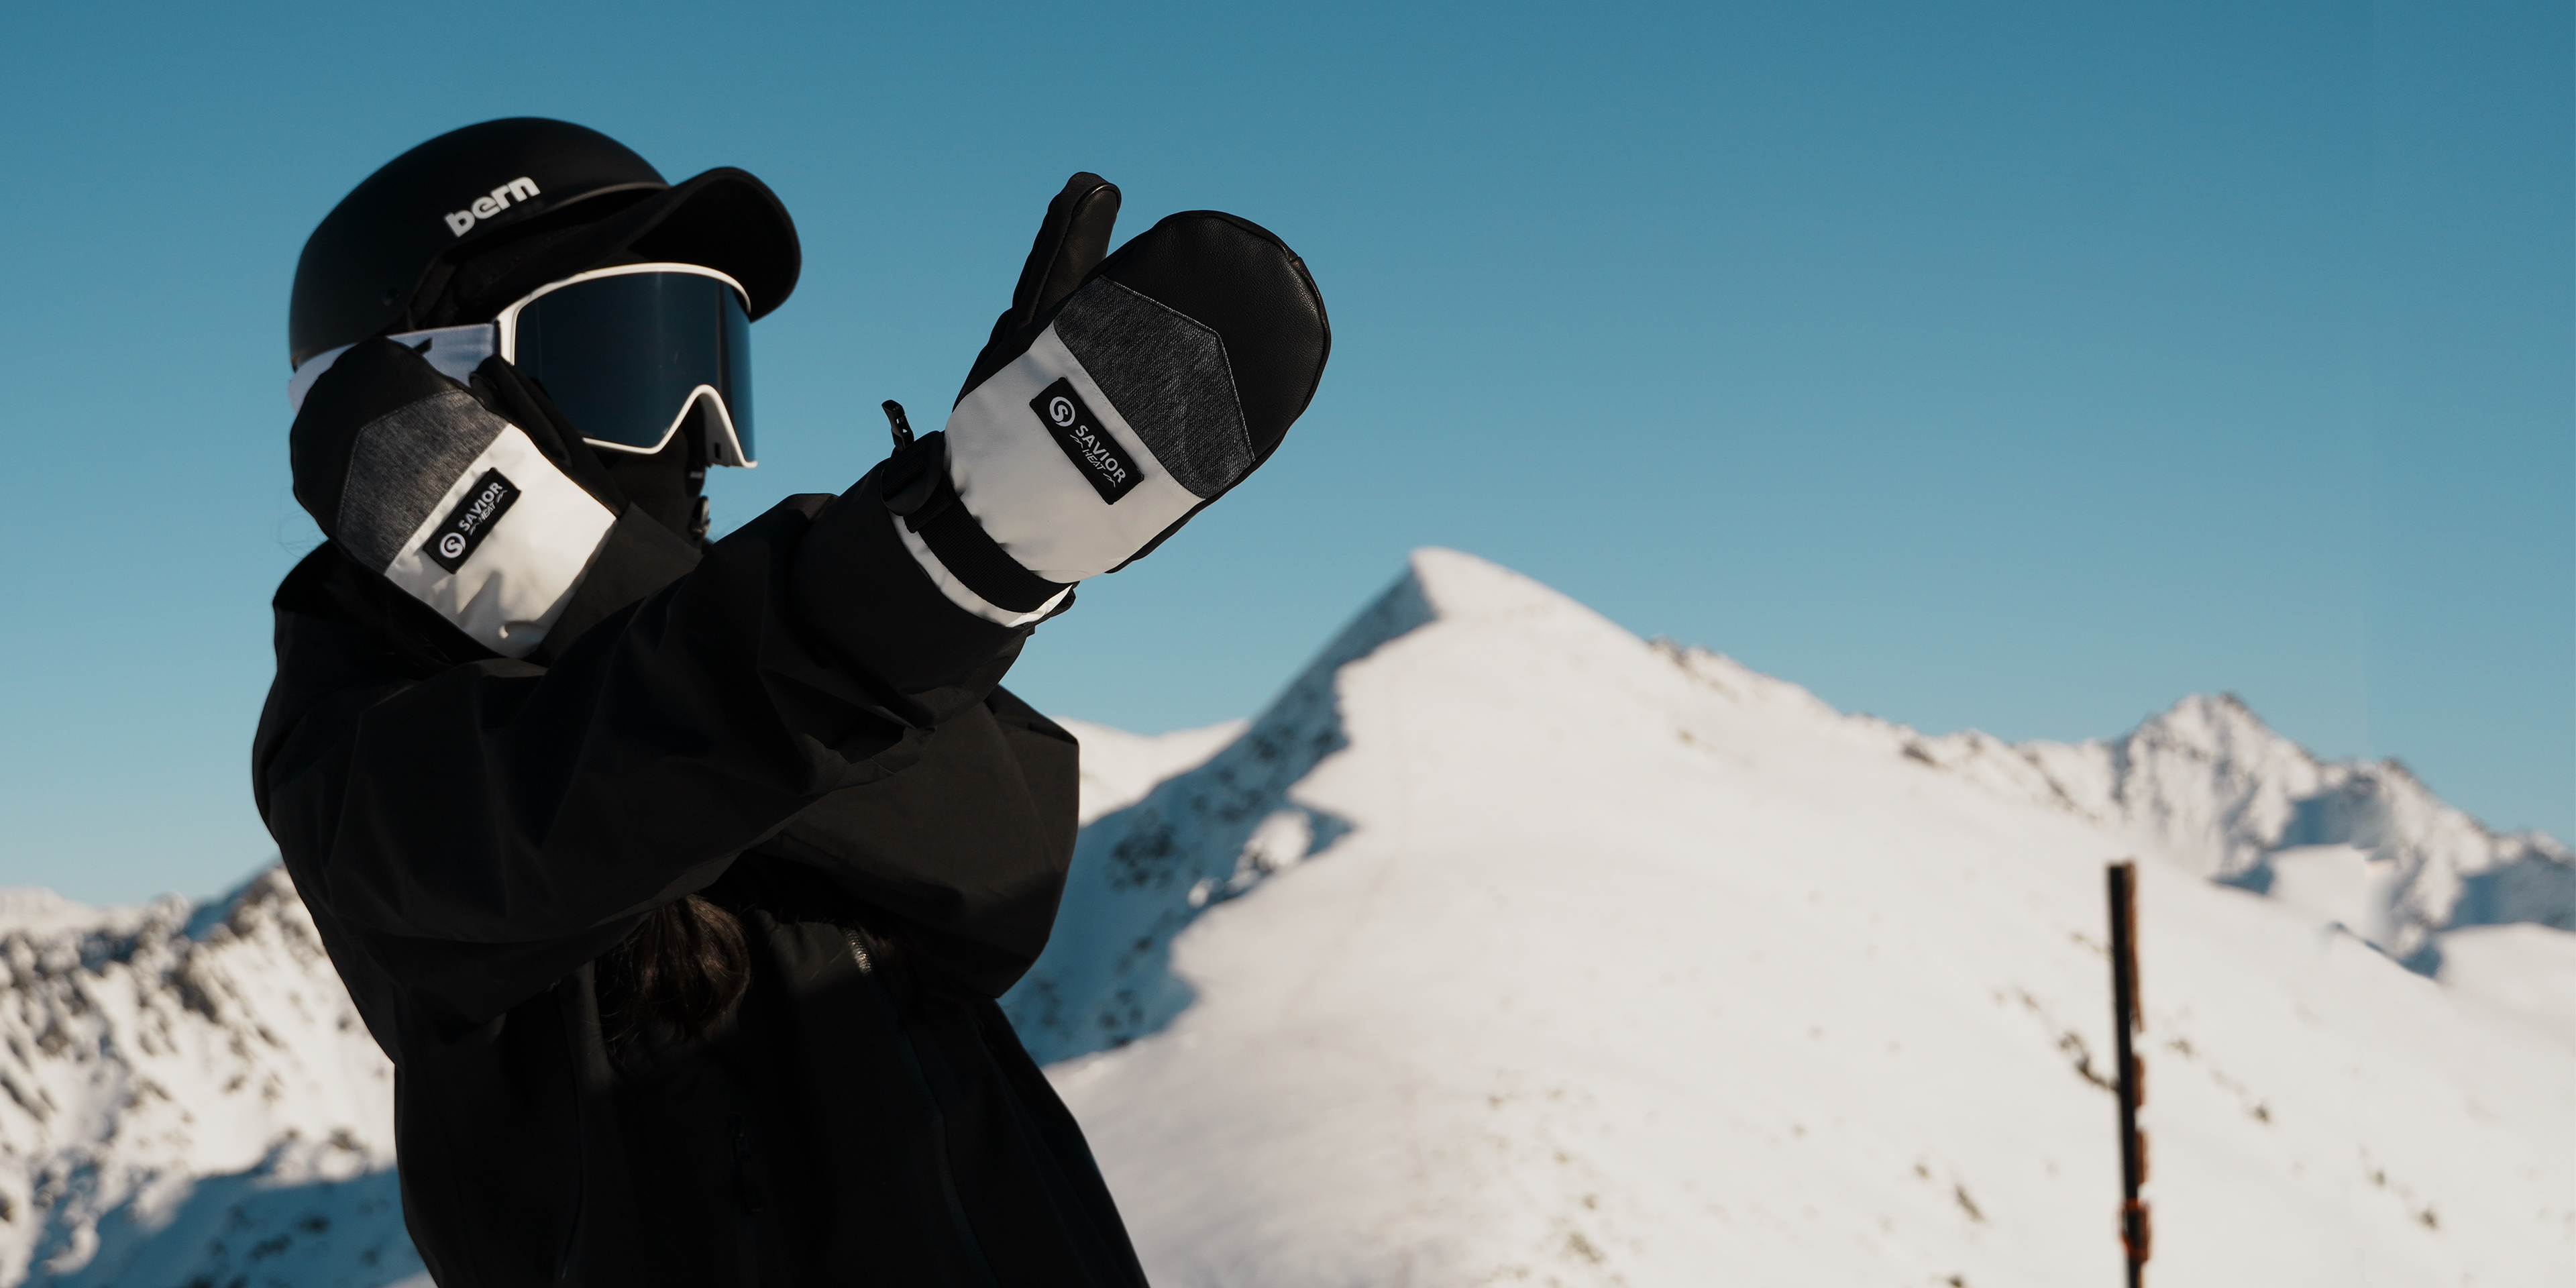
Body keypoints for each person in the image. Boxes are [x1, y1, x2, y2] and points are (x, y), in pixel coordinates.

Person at [252, 118, 1328, 1287]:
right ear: (433, 403)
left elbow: (1002, 851)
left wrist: (572, 580)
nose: (697, 436)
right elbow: (566, 807)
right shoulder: (355, 746)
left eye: (712, 363)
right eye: (627, 363)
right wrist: (948, 566)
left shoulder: (758, 622)